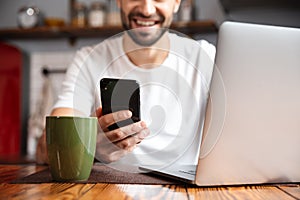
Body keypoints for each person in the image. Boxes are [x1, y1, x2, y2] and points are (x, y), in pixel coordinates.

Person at [36, 0, 216, 170]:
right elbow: (45, 151)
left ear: (177, 2)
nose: (147, 9)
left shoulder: (205, 57)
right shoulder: (88, 60)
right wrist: (90, 142)